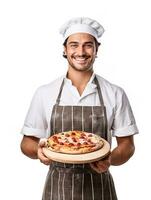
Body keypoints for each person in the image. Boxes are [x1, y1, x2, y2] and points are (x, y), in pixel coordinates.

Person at [20, 17, 139, 200]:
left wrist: (110, 159)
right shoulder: (45, 92)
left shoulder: (115, 93)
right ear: (65, 50)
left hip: (100, 188)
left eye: (88, 45)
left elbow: (128, 146)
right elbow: (27, 142)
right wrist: (37, 150)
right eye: (74, 45)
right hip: (57, 188)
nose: (81, 52)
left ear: (97, 49)